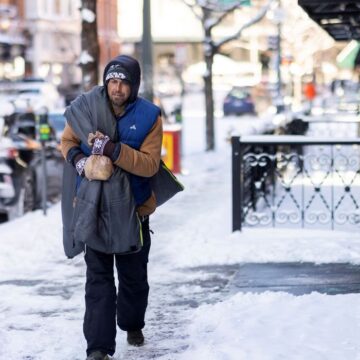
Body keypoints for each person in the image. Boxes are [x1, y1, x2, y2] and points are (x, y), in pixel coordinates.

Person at [60, 55, 163, 360]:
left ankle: (132, 324)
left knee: (133, 278)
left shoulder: (149, 116)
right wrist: (79, 161)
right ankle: (99, 348)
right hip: (95, 208)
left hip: (134, 211)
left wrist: (114, 151)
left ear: (134, 86)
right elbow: (68, 142)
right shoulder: (86, 108)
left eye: (124, 83)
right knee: (98, 280)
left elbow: (149, 165)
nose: (117, 88)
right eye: (112, 81)